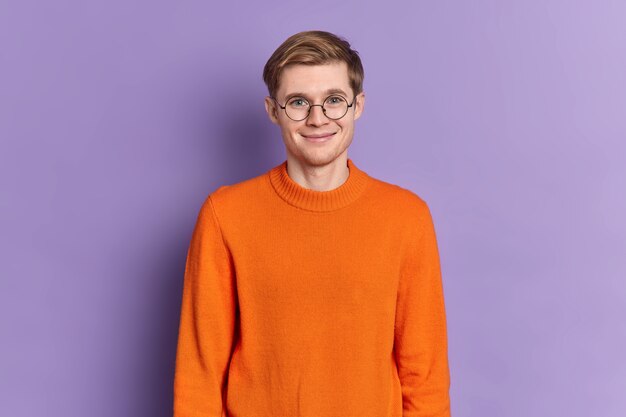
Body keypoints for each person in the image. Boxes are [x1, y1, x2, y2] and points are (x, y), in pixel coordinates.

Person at [173, 30, 451, 417]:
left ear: (358, 106)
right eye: (298, 102)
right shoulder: (225, 214)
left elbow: (425, 378)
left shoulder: (406, 217)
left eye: (334, 100)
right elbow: (198, 374)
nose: (317, 118)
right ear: (273, 111)